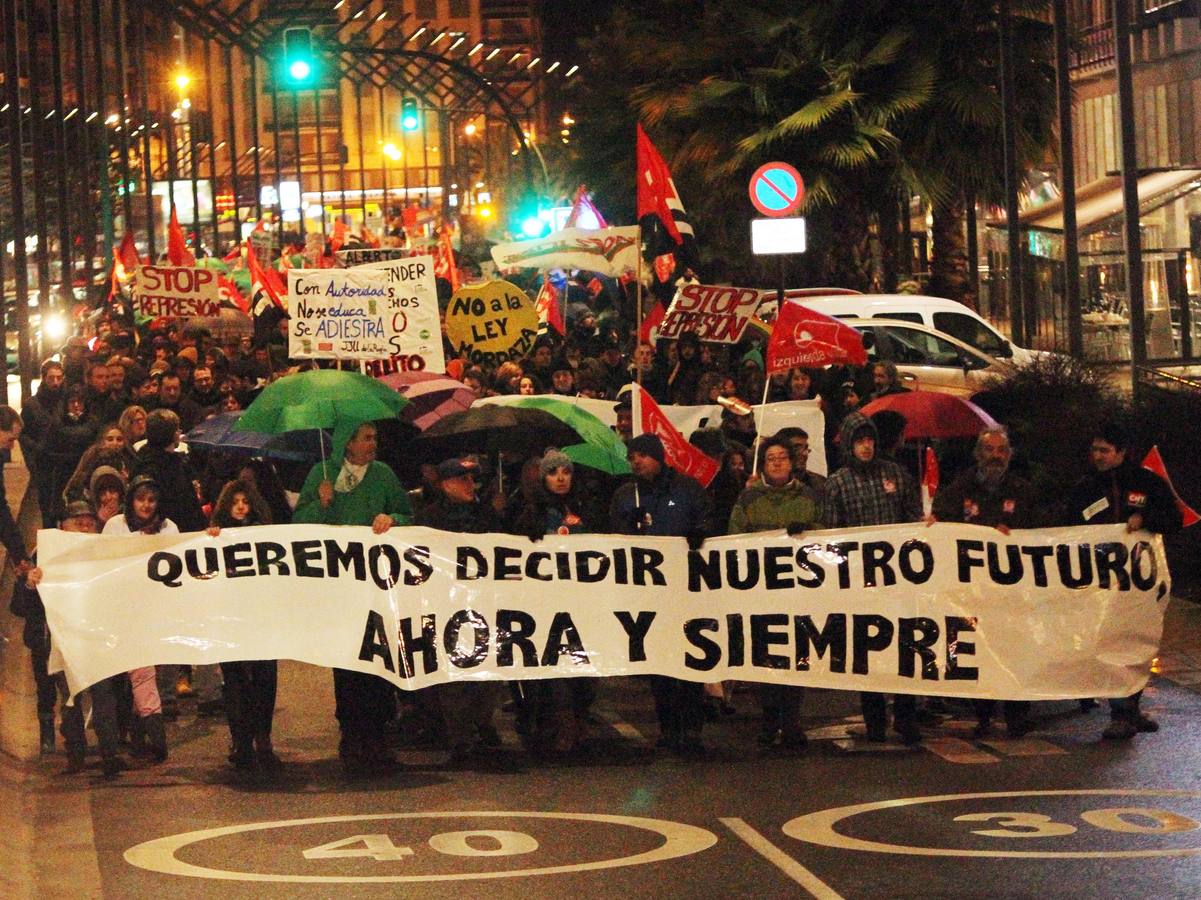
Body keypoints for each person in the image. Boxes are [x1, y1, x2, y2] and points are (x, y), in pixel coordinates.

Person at [293, 421, 412, 772]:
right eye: (367, 438)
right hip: (340, 589)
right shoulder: (321, 474)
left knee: (379, 658)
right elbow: (300, 522)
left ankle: (378, 737)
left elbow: (407, 514)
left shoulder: (384, 475)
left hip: (377, 586)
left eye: (375, 437)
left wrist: (393, 519)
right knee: (347, 663)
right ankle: (352, 735)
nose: (374, 443)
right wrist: (321, 502)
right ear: (348, 444)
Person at [1064, 420, 1181, 740]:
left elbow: (1174, 518)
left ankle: (1130, 706)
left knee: (1137, 645)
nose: (1098, 456)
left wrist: (1145, 519)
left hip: (1139, 584)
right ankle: (1121, 712)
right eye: (1094, 450)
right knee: (1112, 645)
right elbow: (1068, 529)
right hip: (1101, 585)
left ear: (1121, 452)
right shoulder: (1085, 488)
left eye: (1104, 450)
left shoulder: (1147, 483)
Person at [931, 426, 1039, 738]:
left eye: (1001, 450)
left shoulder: (1023, 491)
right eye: (989, 450)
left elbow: (1041, 532)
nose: (995, 456)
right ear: (978, 455)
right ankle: (982, 714)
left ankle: (1017, 713)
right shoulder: (959, 489)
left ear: (1009, 455)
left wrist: (1015, 533)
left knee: (1013, 648)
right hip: (973, 590)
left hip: (1011, 591)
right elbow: (943, 520)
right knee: (978, 649)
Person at [823, 411, 923, 744]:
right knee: (869, 652)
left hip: (898, 581)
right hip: (861, 584)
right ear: (849, 444)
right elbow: (832, 534)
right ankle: (875, 720)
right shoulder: (837, 482)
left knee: (904, 648)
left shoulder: (895, 473)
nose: (865, 446)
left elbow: (913, 519)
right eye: (859, 441)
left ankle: (907, 717)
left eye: (869, 440)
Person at [610, 433, 712, 754]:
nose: (636, 461)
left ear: (658, 456)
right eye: (632, 457)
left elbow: (708, 522)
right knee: (660, 663)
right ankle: (669, 728)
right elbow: (612, 540)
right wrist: (630, 525)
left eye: (642, 455)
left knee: (691, 657)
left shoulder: (687, 490)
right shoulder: (628, 495)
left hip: (686, 591)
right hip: (649, 595)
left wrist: (700, 535)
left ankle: (692, 729)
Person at [14, 501, 128, 777]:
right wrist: (31, 583)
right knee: (70, 699)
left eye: (90, 522)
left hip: (95, 639)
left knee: (102, 695)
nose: (85, 526)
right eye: (78, 521)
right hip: (60, 642)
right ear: (61, 526)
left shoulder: (105, 554)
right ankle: (75, 754)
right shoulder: (43, 555)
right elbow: (18, 607)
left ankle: (109, 754)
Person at [728, 437, 823, 751]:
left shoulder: (810, 497)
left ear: (792, 462)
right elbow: (734, 539)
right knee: (766, 658)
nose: (778, 463)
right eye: (771, 458)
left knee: (796, 657)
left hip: (798, 593)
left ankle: (792, 721)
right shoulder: (749, 499)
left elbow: (827, 535)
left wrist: (808, 531)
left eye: (783, 457)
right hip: (762, 593)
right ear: (764, 464)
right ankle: (770, 720)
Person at [416, 456, 505, 765]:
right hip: (448, 604)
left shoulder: (487, 516)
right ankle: (459, 736)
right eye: (463, 480)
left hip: (482, 602)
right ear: (446, 485)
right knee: (454, 671)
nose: (471, 485)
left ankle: (482, 724)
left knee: (486, 667)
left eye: (472, 479)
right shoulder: (430, 519)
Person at [512, 450, 600, 754]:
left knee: (584, 663)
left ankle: (580, 719)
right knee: (556, 665)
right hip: (546, 602)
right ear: (543, 477)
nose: (561, 478)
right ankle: (560, 725)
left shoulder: (585, 507)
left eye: (566, 472)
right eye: (553, 472)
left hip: (582, 599)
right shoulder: (529, 510)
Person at [102, 475, 179, 763]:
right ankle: (147, 736)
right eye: (140, 499)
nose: (146, 505)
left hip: (154, 611)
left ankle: (142, 736)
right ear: (131, 500)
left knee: (144, 672)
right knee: (130, 675)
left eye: (151, 500)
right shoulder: (115, 526)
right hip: (120, 612)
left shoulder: (169, 528)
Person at [207, 480, 280, 771]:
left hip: (262, 618)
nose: (240, 507)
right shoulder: (215, 537)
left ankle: (263, 738)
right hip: (230, 620)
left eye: (245, 502)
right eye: (235, 501)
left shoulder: (266, 538)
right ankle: (241, 740)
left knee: (264, 680)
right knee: (235, 682)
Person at [132, 409, 207, 532]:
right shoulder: (169, 468)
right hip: (170, 534)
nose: (180, 432)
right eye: (177, 429)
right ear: (172, 435)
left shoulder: (140, 461)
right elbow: (184, 507)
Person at [20, 360, 66, 526]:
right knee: (47, 513)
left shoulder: (67, 402)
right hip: (44, 467)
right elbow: (23, 436)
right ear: (44, 378)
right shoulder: (32, 405)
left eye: (59, 378)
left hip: (65, 465)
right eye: (51, 378)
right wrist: (35, 457)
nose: (55, 382)